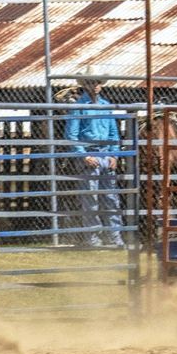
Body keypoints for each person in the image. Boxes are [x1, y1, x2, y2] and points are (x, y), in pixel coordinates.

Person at [64, 65, 123, 247]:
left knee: (111, 198)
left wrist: (114, 155)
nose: (95, 85)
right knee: (91, 199)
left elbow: (114, 132)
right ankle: (93, 238)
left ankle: (115, 237)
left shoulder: (106, 106)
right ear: (85, 85)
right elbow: (71, 135)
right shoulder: (79, 107)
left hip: (106, 154)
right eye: (91, 82)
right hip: (89, 154)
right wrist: (82, 155)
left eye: (97, 82)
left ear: (100, 85)